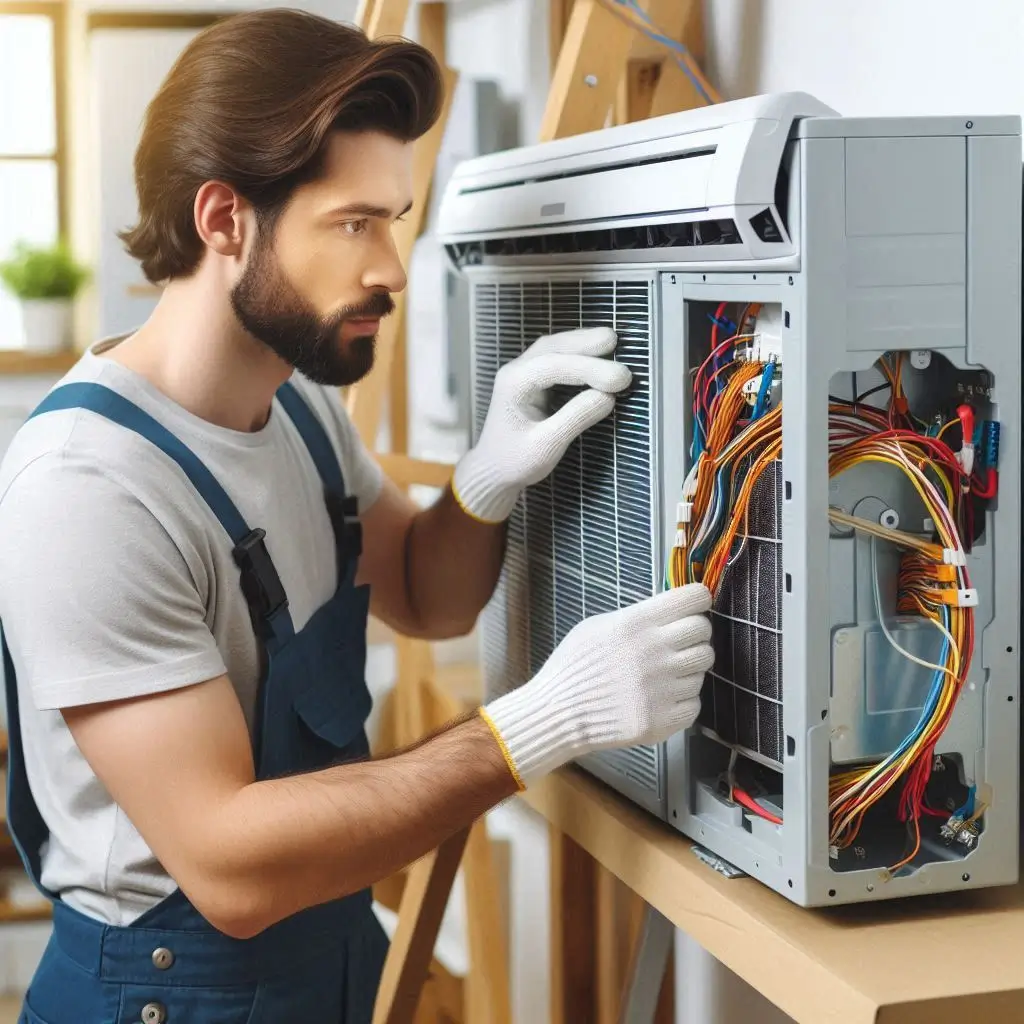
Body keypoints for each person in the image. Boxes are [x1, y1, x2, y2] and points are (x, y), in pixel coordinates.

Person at [0, 9, 714, 1023]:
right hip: (171, 988)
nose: (390, 265)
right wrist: (536, 724)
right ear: (223, 219)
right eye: (354, 223)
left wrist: (486, 481)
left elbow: (428, 594)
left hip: (327, 956)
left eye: (396, 218)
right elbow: (231, 870)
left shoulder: (297, 406)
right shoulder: (89, 490)